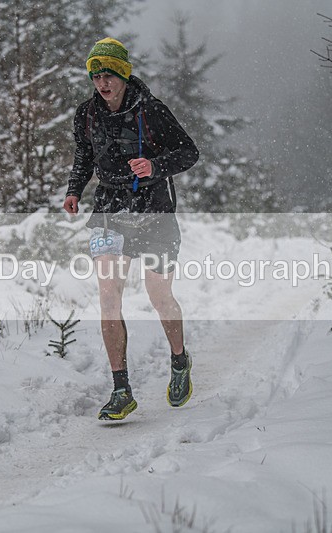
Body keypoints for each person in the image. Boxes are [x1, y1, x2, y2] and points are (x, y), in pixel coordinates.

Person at [62, 38, 199, 421]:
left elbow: (189, 152)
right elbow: (84, 155)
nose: (101, 83)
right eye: (95, 76)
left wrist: (155, 167)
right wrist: (74, 190)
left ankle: (178, 360)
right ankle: (121, 389)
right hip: (109, 209)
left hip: (155, 210)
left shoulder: (152, 111)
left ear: (123, 75)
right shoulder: (86, 114)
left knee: (159, 295)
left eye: (108, 75)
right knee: (108, 296)